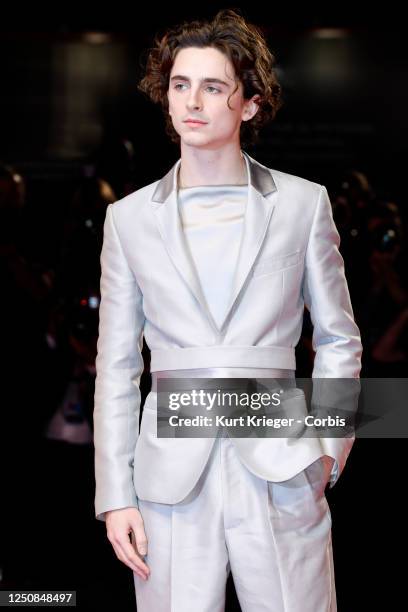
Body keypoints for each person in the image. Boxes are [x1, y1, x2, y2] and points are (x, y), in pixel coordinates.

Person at [93, 8, 362, 611]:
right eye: (180, 85)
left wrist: (329, 450)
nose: (193, 101)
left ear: (250, 105)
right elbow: (114, 364)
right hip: (169, 475)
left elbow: (340, 338)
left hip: (282, 461)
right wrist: (115, 493)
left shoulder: (302, 205)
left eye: (213, 87)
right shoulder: (130, 218)